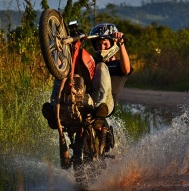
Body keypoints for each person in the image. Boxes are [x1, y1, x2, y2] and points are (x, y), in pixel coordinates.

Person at [42, 23, 132, 151]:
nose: (102, 47)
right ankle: (54, 107)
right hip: (85, 102)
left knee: (101, 66)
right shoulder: (92, 63)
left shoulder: (117, 65)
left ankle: (98, 112)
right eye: (98, 44)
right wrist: (60, 51)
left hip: (105, 106)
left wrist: (121, 43)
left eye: (105, 44)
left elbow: (127, 69)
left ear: (112, 44)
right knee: (65, 72)